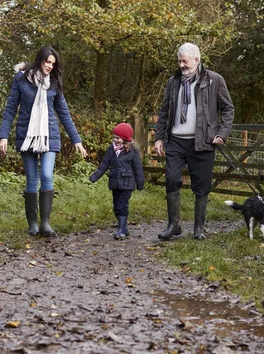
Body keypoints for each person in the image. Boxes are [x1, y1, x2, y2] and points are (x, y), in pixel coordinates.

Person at [0, 45, 87, 237]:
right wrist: (3, 135)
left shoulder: (54, 82)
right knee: (32, 178)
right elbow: (10, 108)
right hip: (27, 136)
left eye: (53, 64)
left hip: (49, 135)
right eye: (48, 62)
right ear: (40, 60)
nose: (50, 67)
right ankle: (33, 225)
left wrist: (76, 140)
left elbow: (63, 113)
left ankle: (45, 223)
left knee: (46, 175)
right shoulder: (21, 79)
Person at [154, 42, 234, 240]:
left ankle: (199, 228)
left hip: (203, 141)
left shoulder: (214, 80)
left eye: (185, 61)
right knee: (171, 179)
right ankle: (174, 225)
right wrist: (159, 137)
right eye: (180, 61)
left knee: (202, 185)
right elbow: (164, 112)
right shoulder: (173, 82)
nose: (182, 65)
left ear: (197, 60)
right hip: (176, 141)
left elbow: (228, 109)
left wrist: (222, 133)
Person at [89, 123, 144, 240]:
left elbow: (138, 168)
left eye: (118, 138)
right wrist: (94, 177)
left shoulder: (132, 150)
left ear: (125, 139)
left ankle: (121, 231)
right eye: (114, 137)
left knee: (122, 206)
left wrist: (140, 183)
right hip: (115, 183)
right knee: (116, 206)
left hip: (127, 183)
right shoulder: (111, 149)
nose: (115, 140)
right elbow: (104, 164)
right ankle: (123, 227)